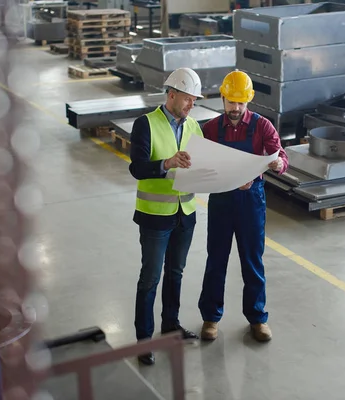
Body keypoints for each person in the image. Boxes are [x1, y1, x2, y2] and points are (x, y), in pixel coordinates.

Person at [198, 70, 289, 342]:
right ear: (223, 98)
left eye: (241, 103)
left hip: (251, 201)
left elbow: (281, 155)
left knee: (252, 261)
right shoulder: (211, 128)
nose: (235, 108)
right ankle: (211, 318)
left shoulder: (263, 127)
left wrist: (277, 164)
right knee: (216, 260)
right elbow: (203, 164)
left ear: (248, 100)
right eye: (231, 102)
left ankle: (257, 318)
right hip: (222, 200)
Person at [129, 67, 204, 365]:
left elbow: (199, 166)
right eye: (187, 99)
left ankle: (170, 324)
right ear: (171, 95)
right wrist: (167, 163)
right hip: (155, 216)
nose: (191, 105)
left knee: (176, 273)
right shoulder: (145, 124)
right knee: (150, 278)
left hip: (185, 213)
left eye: (194, 101)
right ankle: (143, 341)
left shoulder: (193, 127)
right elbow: (137, 168)